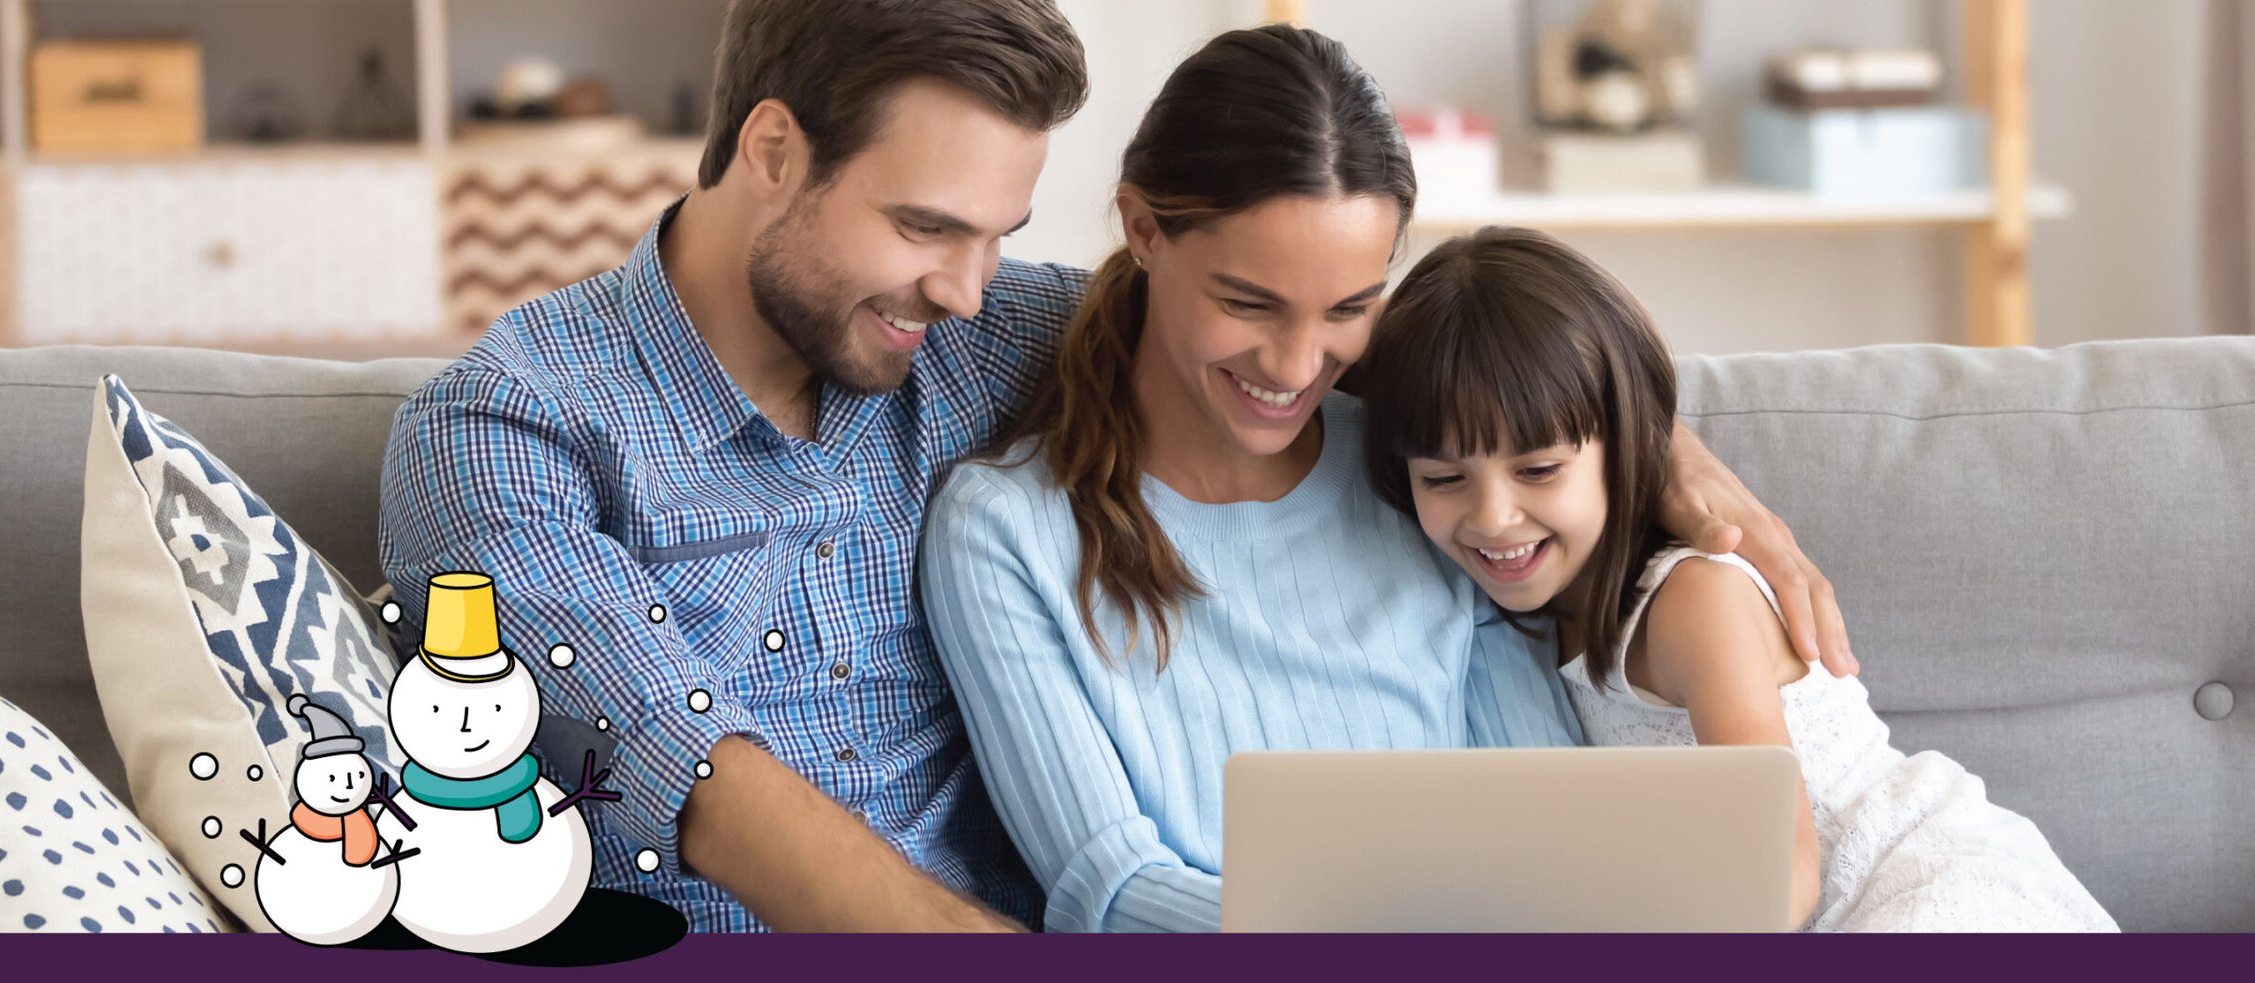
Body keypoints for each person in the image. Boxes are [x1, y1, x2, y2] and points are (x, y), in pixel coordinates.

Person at [382, 0, 1846, 932]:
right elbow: (701, 782)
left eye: (1000, 233)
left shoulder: (972, 327)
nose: (969, 286)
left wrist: (1678, 467)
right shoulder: (505, 436)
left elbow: (1350, 333)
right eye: (926, 226)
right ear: (773, 147)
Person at [916, 24, 1852, 934]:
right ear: (1144, 228)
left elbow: (1547, 801)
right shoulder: (1007, 531)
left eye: (1349, 308)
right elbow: (1110, 890)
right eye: (1248, 303)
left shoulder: (1426, 476)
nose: (1292, 365)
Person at [1357, 226, 2117, 932]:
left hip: (1927, 884)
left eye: (1540, 470)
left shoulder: (1693, 599)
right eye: (1444, 477)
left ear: (1623, 446)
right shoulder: (1523, 613)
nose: (1492, 517)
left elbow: (1782, 866)